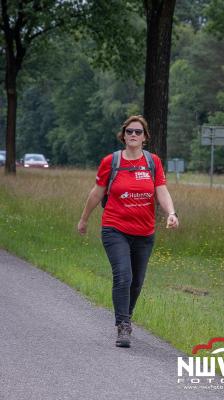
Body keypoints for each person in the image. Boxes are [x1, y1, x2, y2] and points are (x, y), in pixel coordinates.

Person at [77, 115, 179, 348]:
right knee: (123, 275)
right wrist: (84, 220)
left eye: (138, 132)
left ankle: (127, 317)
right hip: (115, 229)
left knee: (137, 281)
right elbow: (96, 193)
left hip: (144, 233)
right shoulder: (111, 162)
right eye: (129, 131)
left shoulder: (153, 162)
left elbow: (161, 190)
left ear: (145, 137)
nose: (133, 135)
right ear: (123, 135)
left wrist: (172, 213)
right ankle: (123, 326)